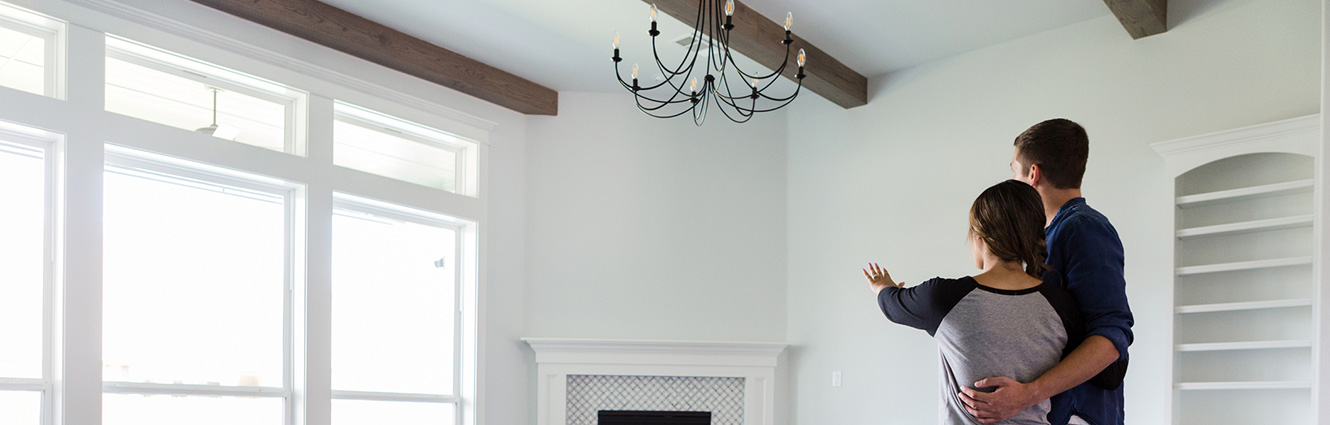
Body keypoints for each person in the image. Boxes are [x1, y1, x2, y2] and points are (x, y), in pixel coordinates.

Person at [866, 179, 1085, 425]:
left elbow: (891, 304)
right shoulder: (1061, 305)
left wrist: (880, 284)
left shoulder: (943, 298)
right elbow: (1098, 371)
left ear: (979, 237)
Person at [958, 119, 1133, 425]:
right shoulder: (1051, 234)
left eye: (1015, 170)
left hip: (1079, 414)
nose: (1012, 178)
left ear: (1033, 173)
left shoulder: (1083, 228)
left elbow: (1110, 338)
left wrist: (1028, 394)